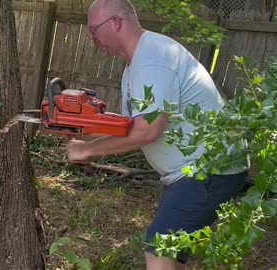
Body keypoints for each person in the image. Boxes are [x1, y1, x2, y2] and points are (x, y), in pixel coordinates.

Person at [65, 0, 249, 269]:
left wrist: (87, 150)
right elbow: (133, 125)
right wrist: (83, 130)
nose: (92, 38)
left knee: (158, 249)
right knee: (170, 256)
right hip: (192, 171)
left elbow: (149, 130)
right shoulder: (139, 61)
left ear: (116, 22)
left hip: (208, 170)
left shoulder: (152, 60)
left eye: (94, 30)